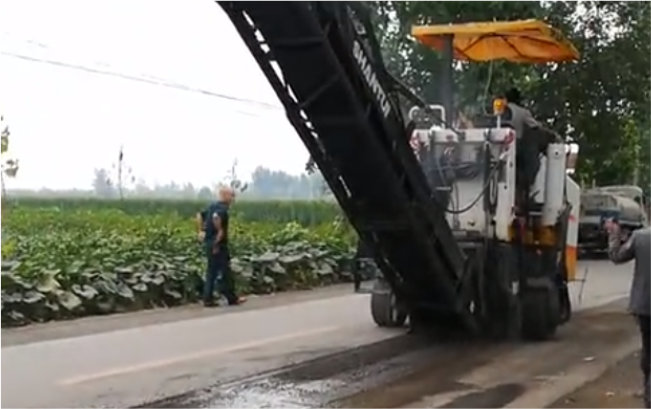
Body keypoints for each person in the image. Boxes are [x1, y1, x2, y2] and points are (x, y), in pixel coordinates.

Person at [605, 220, 650, 408]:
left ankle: (648, 391)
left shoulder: (640, 237)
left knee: (647, 346)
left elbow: (616, 256)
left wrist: (614, 234)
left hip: (644, 304)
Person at [202, 186, 246, 307]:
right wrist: (218, 237)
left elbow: (200, 215)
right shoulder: (222, 209)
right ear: (225, 195)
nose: (233, 198)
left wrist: (201, 231)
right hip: (218, 245)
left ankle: (208, 298)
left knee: (212, 272)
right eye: (232, 195)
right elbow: (216, 218)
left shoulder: (212, 206)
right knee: (225, 272)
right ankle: (231, 298)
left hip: (209, 242)